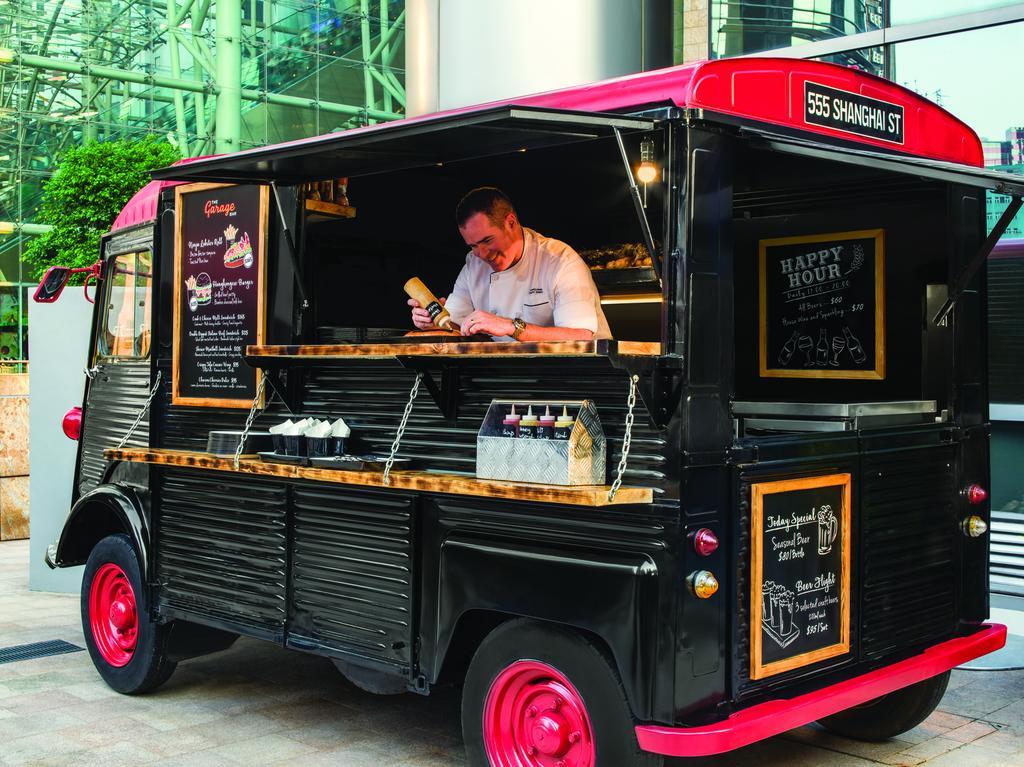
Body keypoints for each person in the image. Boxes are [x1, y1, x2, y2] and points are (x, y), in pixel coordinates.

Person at [408, 187, 611, 341]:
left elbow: (581, 336)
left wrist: (512, 327)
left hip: (578, 379)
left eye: (487, 241)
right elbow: (455, 327)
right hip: (510, 377)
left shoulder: (560, 261)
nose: (483, 254)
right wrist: (432, 322)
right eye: (473, 246)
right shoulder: (473, 265)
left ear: (511, 222)